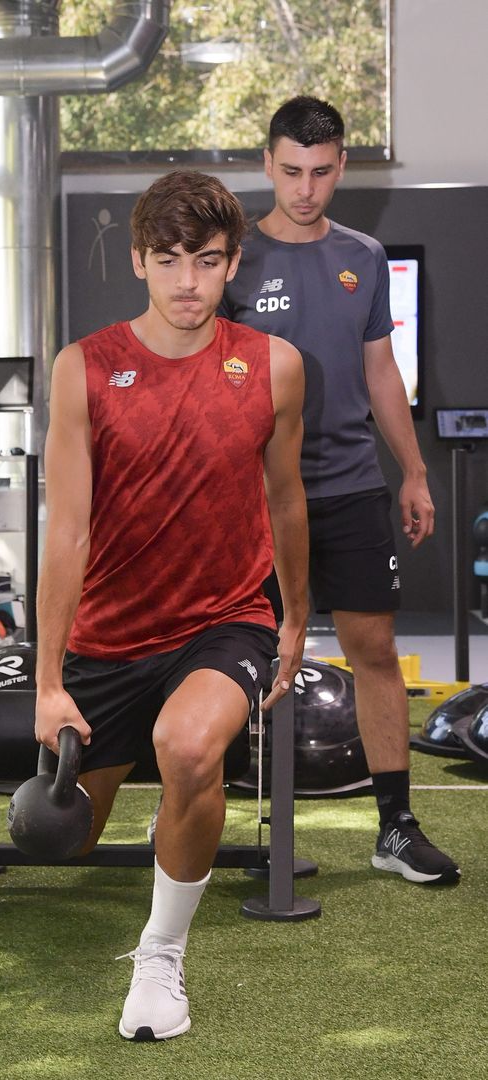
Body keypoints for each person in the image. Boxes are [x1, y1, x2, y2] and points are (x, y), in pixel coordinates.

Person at [34, 170, 308, 1041]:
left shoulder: (274, 367)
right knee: (62, 842)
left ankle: (161, 957)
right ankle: (176, 816)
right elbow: (66, 535)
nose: (187, 282)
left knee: (188, 747)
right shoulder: (84, 368)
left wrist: (295, 617)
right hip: (109, 635)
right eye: (169, 260)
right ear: (138, 260)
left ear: (233, 264)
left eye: (207, 261)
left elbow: (287, 500)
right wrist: (48, 682)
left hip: (223, 618)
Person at [221, 95, 460, 886]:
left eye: (321, 172)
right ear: (267, 165)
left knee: (375, 652)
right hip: (253, 495)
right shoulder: (232, 259)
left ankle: (394, 827)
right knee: (231, 658)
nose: (305, 189)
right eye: (291, 171)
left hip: (352, 486)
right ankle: (205, 814)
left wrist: (414, 471)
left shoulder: (363, 254)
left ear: (341, 167)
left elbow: (381, 372)